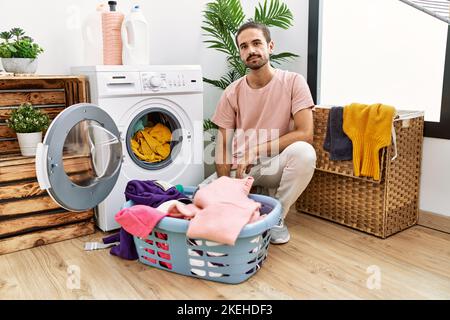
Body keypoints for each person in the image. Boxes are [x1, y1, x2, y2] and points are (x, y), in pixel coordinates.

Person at [206, 21, 317, 244]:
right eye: (244, 46)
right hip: (241, 170)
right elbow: (222, 146)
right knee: (198, 201)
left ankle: (275, 216)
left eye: (257, 43)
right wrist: (226, 187)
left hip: (275, 163)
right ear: (240, 53)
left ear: (270, 46)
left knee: (305, 153)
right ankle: (254, 203)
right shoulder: (232, 92)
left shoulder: (293, 82)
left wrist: (256, 149)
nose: (251, 50)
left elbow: (306, 133)